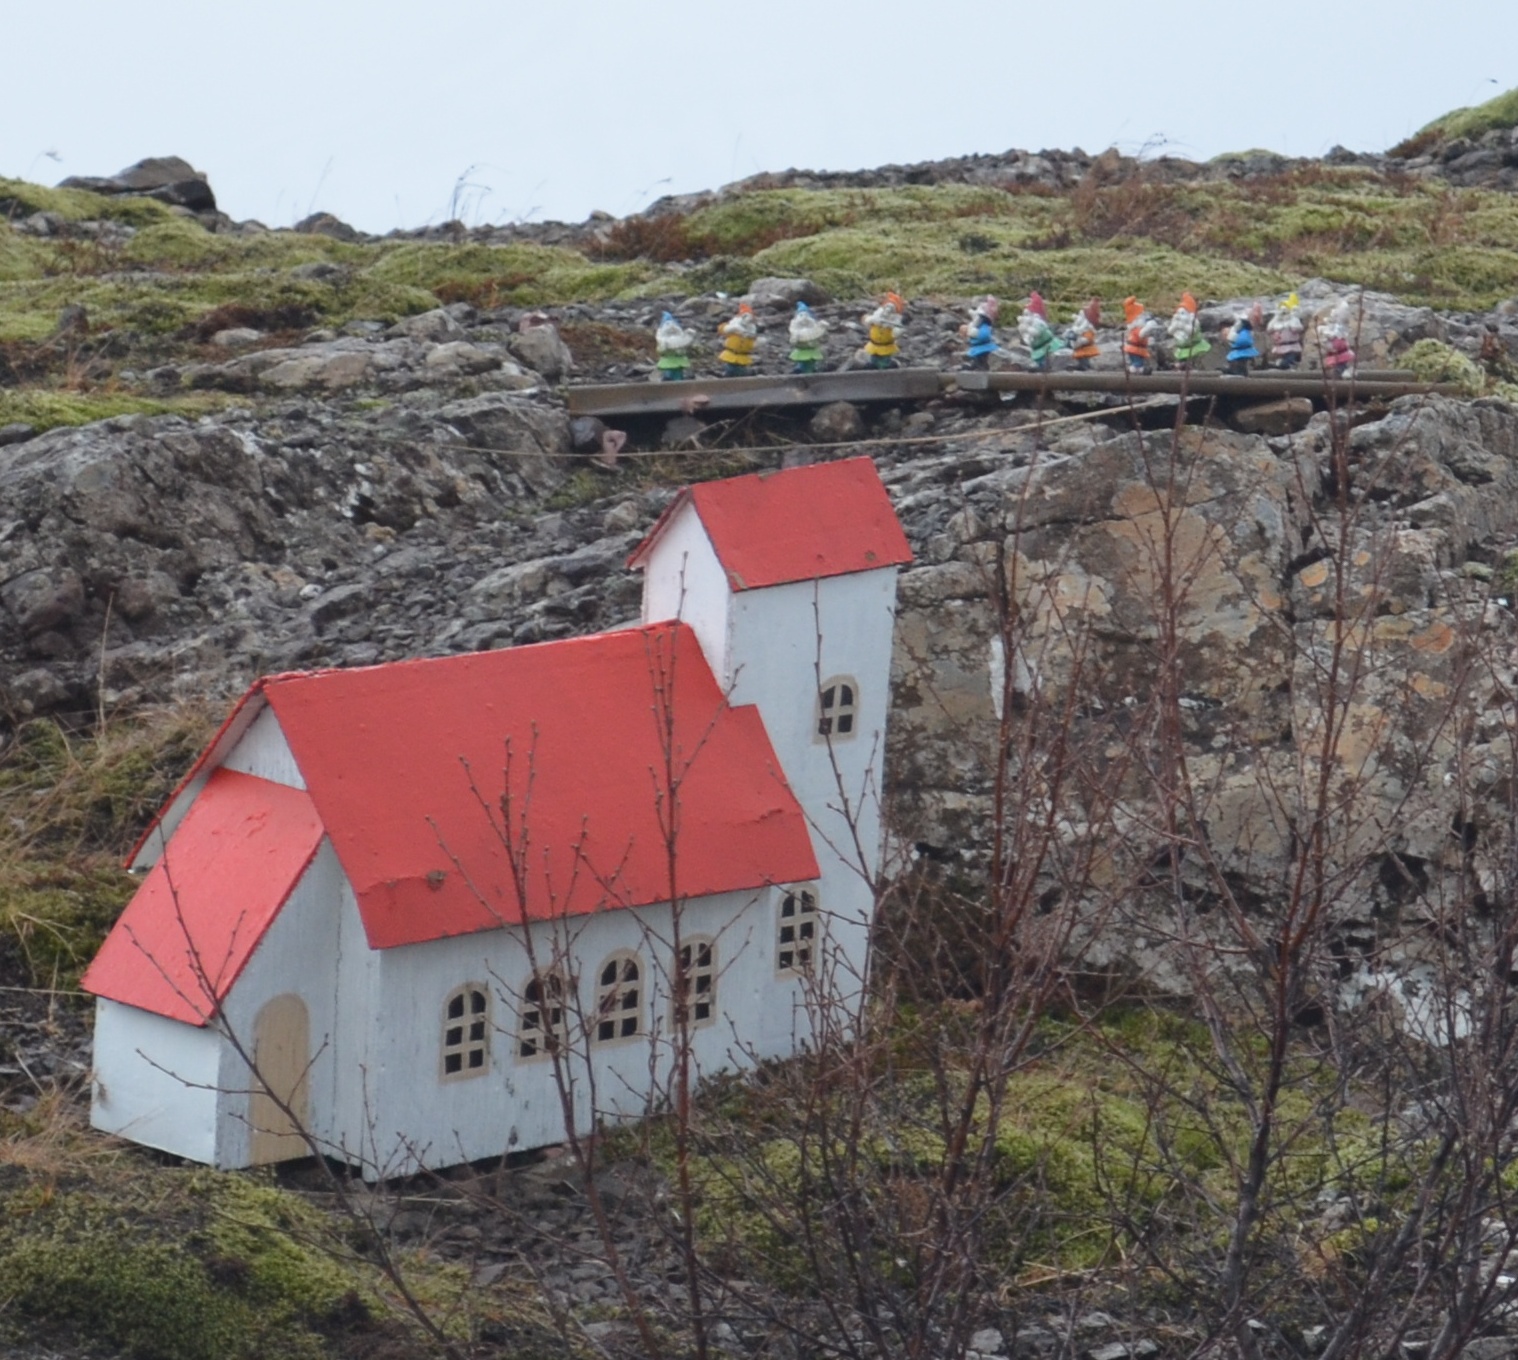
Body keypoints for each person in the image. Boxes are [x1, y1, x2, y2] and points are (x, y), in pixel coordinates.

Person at [717, 302, 759, 377]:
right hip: (731, 355)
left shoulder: (751, 331)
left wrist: (756, 344)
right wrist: (732, 328)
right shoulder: (734, 327)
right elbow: (721, 329)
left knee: (742, 372)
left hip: (743, 357)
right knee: (729, 371)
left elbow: (752, 343)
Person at [961, 295, 1000, 370]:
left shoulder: (984, 326)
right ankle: (975, 365)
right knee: (976, 357)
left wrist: (974, 334)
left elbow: (984, 336)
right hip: (976, 346)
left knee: (981, 357)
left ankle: (981, 366)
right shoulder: (976, 325)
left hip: (983, 347)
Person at [788, 302, 827, 374]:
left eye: (806, 315)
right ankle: (801, 368)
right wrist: (794, 340)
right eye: (801, 315)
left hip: (812, 350)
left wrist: (823, 328)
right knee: (802, 360)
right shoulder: (795, 329)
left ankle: (811, 370)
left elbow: (823, 338)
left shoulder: (813, 328)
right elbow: (792, 342)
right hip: (801, 350)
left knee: (811, 362)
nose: (804, 317)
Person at [654, 312, 694, 381]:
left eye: (674, 324)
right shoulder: (663, 339)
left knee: (678, 374)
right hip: (667, 361)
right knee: (668, 374)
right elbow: (660, 351)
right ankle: (668, 381)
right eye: (667, 324)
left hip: (679, 360)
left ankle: (678, 382)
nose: (671, 327)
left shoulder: (681, 340)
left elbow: (684, 349)